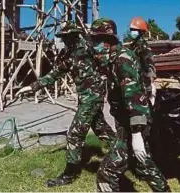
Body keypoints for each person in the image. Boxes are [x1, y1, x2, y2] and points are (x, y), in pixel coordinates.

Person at [17, 22, 116, 187]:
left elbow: (108, 60)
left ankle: (69, 174)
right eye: (64, 37)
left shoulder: (90, 48)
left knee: (74, 134)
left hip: (93, 97)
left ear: (76, 35)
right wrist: (33, 87)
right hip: (85, 98)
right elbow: (55, 74)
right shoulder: (69, 55)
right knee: (101, 129)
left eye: (68, 36)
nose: (66, 40)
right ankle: (127, 154)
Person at [90, 18, 169, 192]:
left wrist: (137, 134)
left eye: (96, 41)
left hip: (134, 122)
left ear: (107, 41)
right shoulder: (112, 59)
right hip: (129, 121)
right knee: (142, 163)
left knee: (107, 172)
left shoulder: (122, 59)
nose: (93, 46)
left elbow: (134, 96)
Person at [123, 16, 157, 106]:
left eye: (134, 30)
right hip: (135, 80)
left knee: (144, 106)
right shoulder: (133, 46)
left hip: (143, 82)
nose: (132, 32)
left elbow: (150, 63)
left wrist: (151, 80)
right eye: (131, 29)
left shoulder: (143, 47)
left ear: (141, 32)